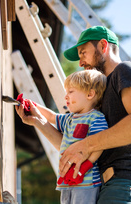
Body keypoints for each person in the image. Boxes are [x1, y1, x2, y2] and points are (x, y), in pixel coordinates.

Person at [60, 25, 131, 203]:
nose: (80, 62)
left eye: (83, 53)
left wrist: (86, 145)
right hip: (108, 186)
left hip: (128, 182)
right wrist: (37, 120)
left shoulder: (126, 70)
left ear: (103, 46)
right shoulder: (98, 96)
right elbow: (72, 145)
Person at [15, 70, 108, 204]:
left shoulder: (96, 118)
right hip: (66, 180)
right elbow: (52, 116)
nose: (66, 96)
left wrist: (86, 165)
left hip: (86, 182)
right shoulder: (70, 119)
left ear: (90, 94)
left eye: (71, 92)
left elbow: (99, 145)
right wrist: (32, 105)